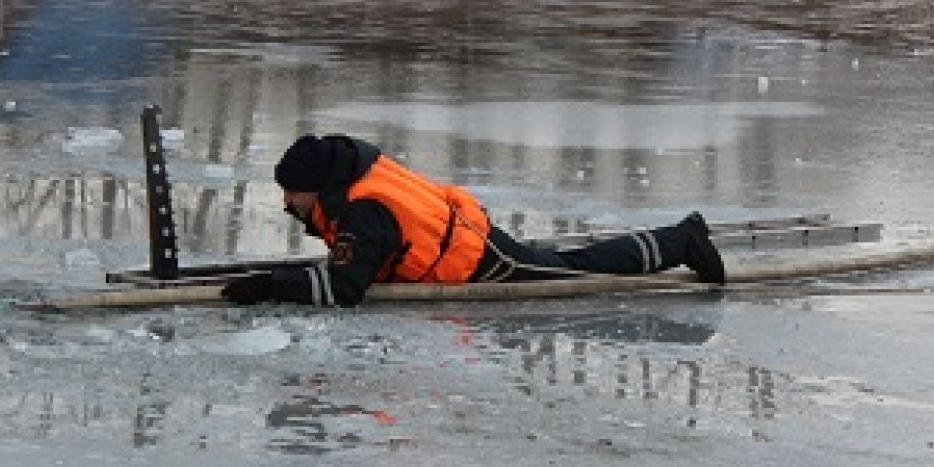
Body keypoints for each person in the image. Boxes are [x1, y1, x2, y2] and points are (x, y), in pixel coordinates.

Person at [220, 134, 725, 308]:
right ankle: (679, 239)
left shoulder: (360, 212)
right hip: (461, 233)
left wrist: (270, 287)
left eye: (292, 193)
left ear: (314, 186)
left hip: (477, 259)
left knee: (576, 269)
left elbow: (344, 289)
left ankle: (682, 242)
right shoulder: (348, 174)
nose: (287, 203)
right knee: (566, 260)